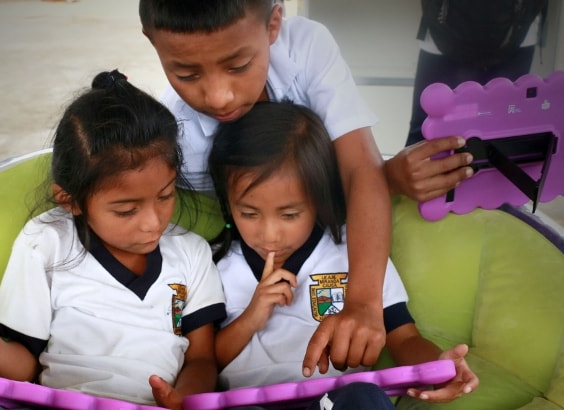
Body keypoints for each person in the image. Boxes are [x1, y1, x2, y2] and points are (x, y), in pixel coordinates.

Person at [0, 70, 227, 409]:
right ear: (70, 200)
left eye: (165, 196)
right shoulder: (45, 242)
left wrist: (182, 400)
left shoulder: (191, 252)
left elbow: (203, 360)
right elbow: (25, 366)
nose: (153, 223)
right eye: (127, 210)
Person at [139, 0, 391, 372]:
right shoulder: (175, 137)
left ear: (273, 24)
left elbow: (361, 169)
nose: (219, 96)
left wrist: (364, 304)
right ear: (151, 41)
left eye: (238, 66)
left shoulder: (305, 49)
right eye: (187, 75)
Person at [208, 101, 479, 409]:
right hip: (247, 402)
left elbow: (405, 339)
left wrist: (441, 369)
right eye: (249, 213)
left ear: (319, 201)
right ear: (227, 202)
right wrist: (251, 317)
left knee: (364, 397)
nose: (270, 235)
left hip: (335, 399)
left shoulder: (356, 253)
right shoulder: (218, 267)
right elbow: (206, 361)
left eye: (290, 215)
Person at [386, 0, 549, 202]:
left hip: (517, 25)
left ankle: (494, 209)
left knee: (502, 135)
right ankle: (410, 211)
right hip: (446, 25)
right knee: (428, 131)